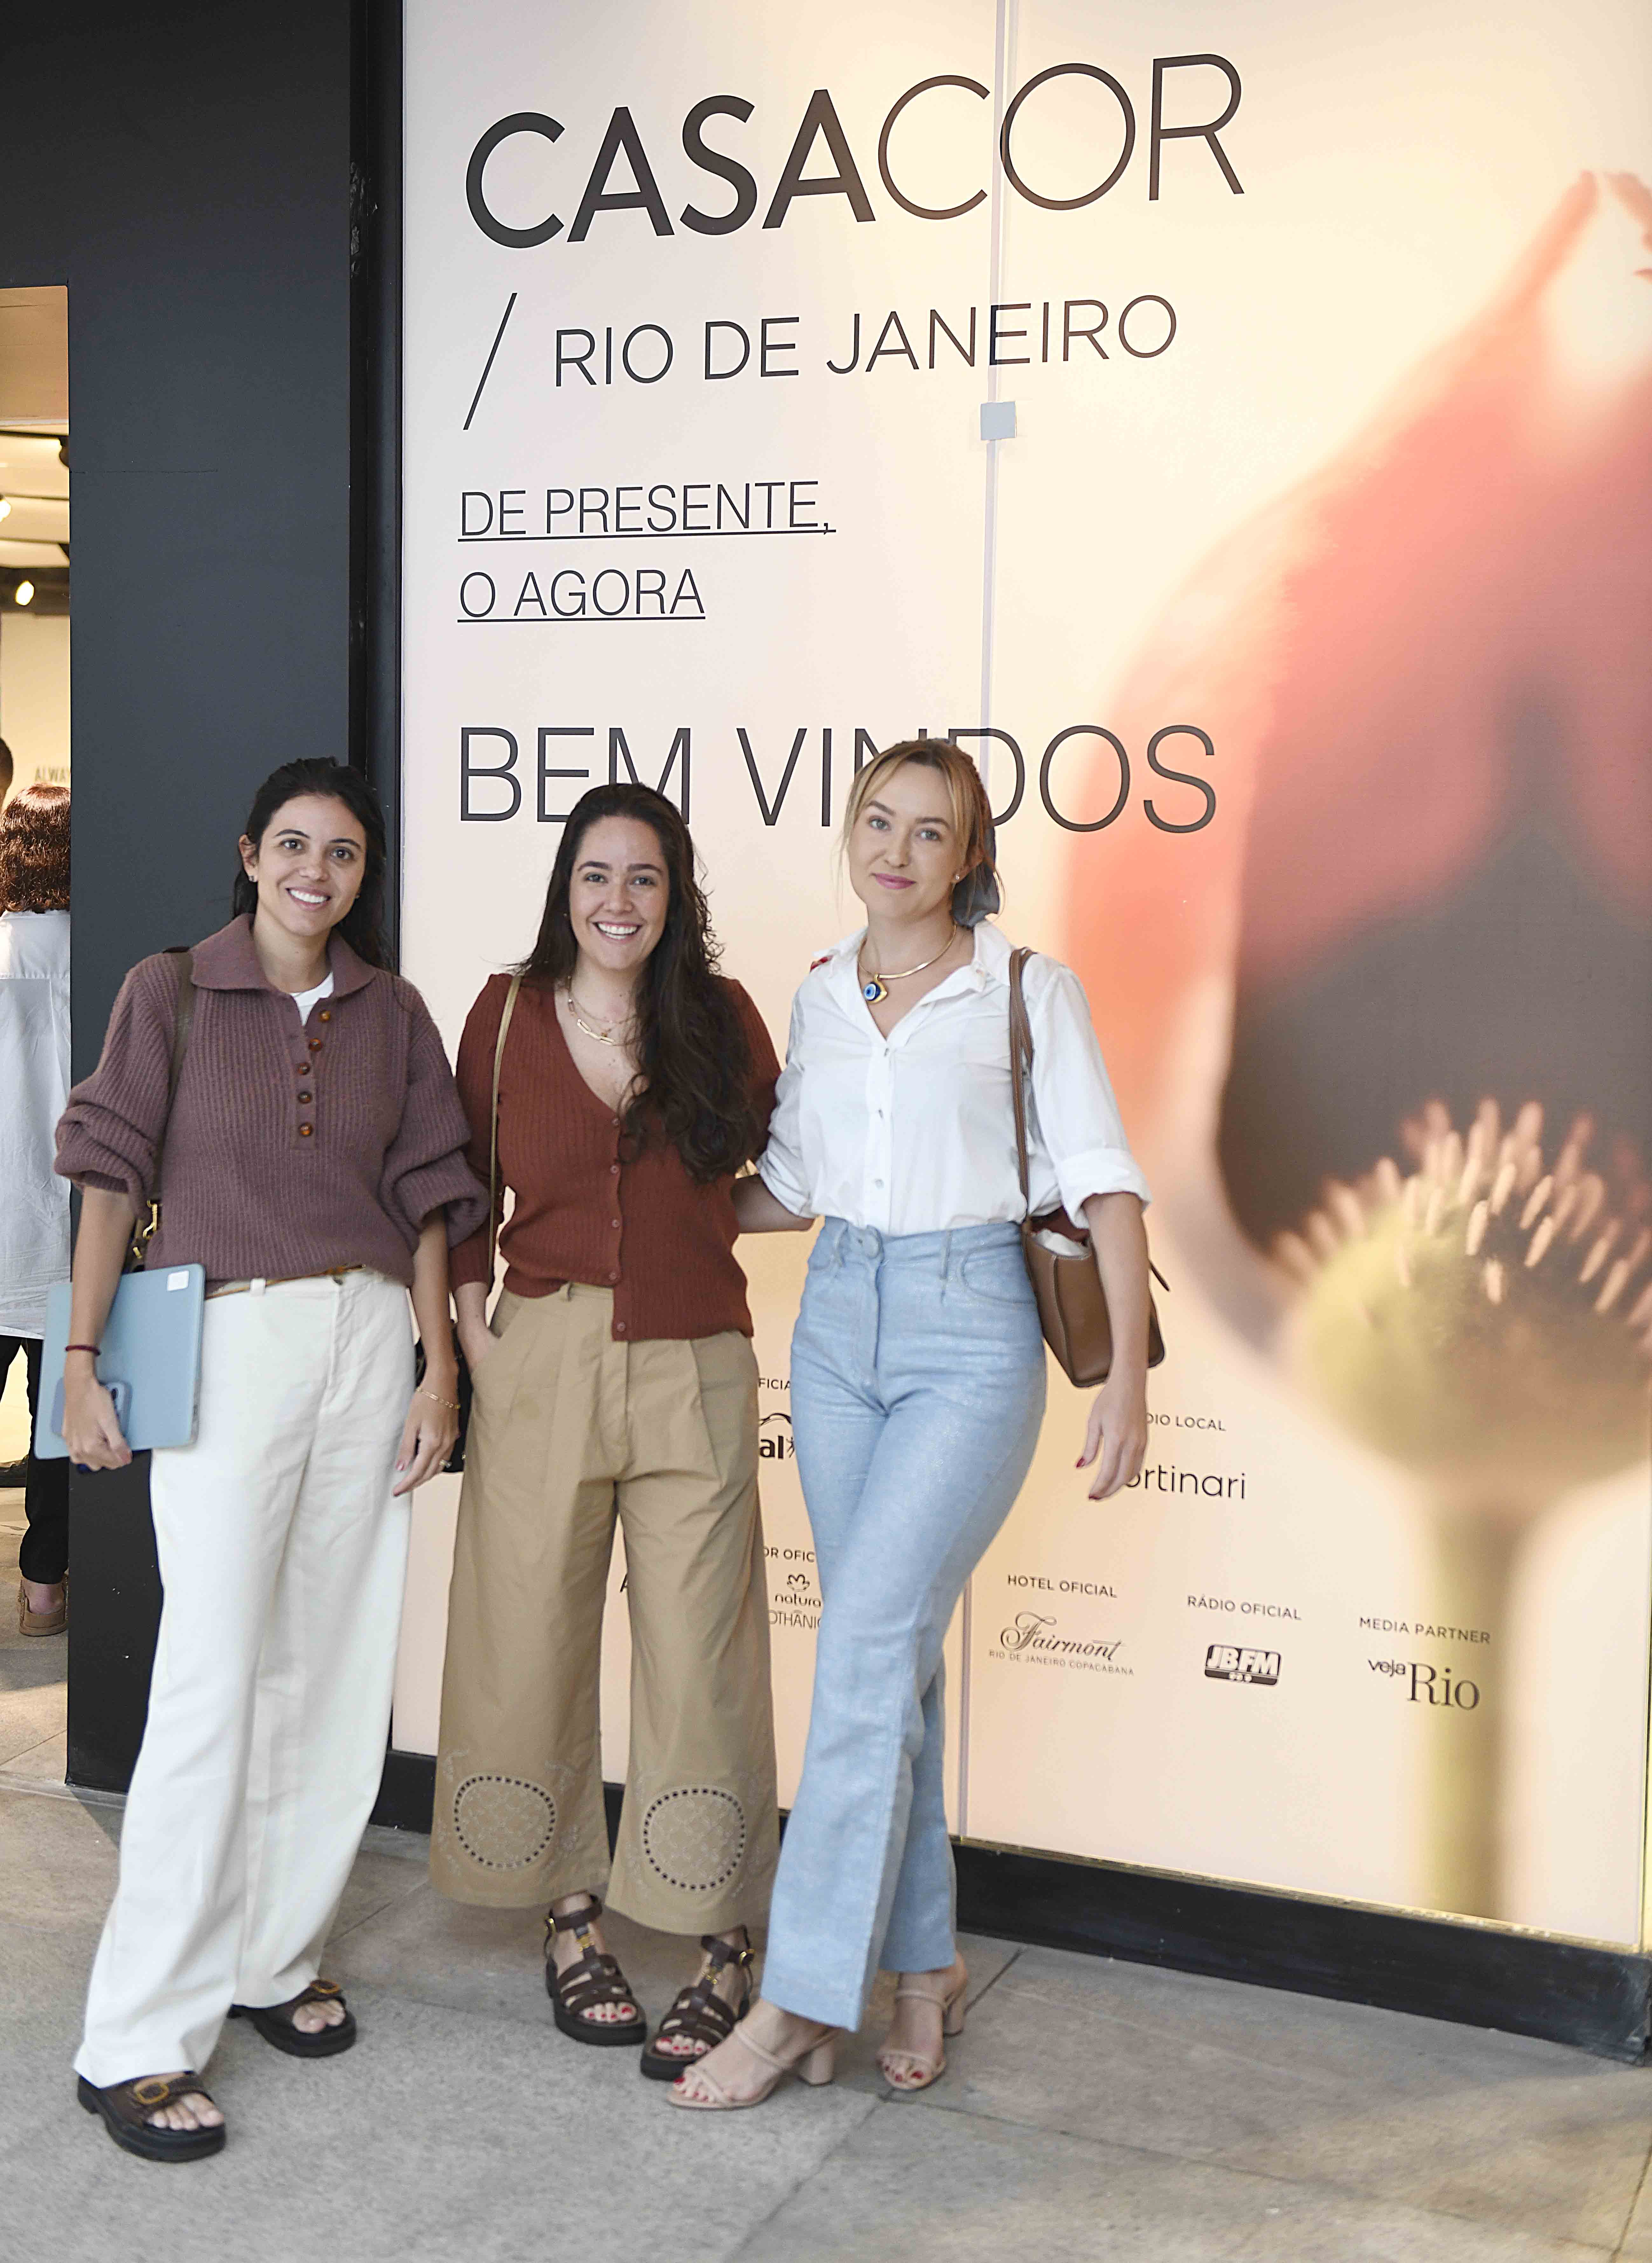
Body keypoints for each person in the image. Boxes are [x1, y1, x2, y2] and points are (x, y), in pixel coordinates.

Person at [671, 740, 1153, 2110]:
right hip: (835, 1329)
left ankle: (798, 2002)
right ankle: (924, 1961)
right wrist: (654, 1199)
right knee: (897, 1669)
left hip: (970, 1331)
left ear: (968, 857)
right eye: (876, 822)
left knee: (868, 1647)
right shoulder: (824, 994)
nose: (895, 850)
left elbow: (1107, 1182)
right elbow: (793, 1191)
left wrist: (1125, 1376)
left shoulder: (1025, 989)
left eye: (927, 833)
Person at [58, 757, 485, 2162]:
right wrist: (73, 1359)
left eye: (345, 853)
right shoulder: (170, 989)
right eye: (295, 845)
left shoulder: (394, 1010)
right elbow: (112, 1173)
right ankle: (137, 2036)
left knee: (338, 1667)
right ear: (250, 853)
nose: (319, 870)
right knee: (212, 1682)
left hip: (369, 1346)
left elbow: (428, 1193)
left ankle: (272, 1956)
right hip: (232, 1345)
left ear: (366, 874)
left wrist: (437, 1364)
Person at [431, 781, 782, 2081]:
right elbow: (458, 1187)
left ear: (676, 894)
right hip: (544, 1353)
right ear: (563, 887)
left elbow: (777, 1172)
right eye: (596, 875)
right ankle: (565, 1912)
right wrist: (474, 1335)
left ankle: (718, 1941)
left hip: (698, 1356)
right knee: (526, 1630)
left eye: (644, 878)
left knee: (703, 1650)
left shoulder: (722, 1019)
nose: (618, 901)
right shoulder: (508, 1013)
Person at [0, 784, 72, 1632]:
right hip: (70, 1229)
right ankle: (43, 1591)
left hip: (0, 1224)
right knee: (60, 1419)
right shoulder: (108, 951)